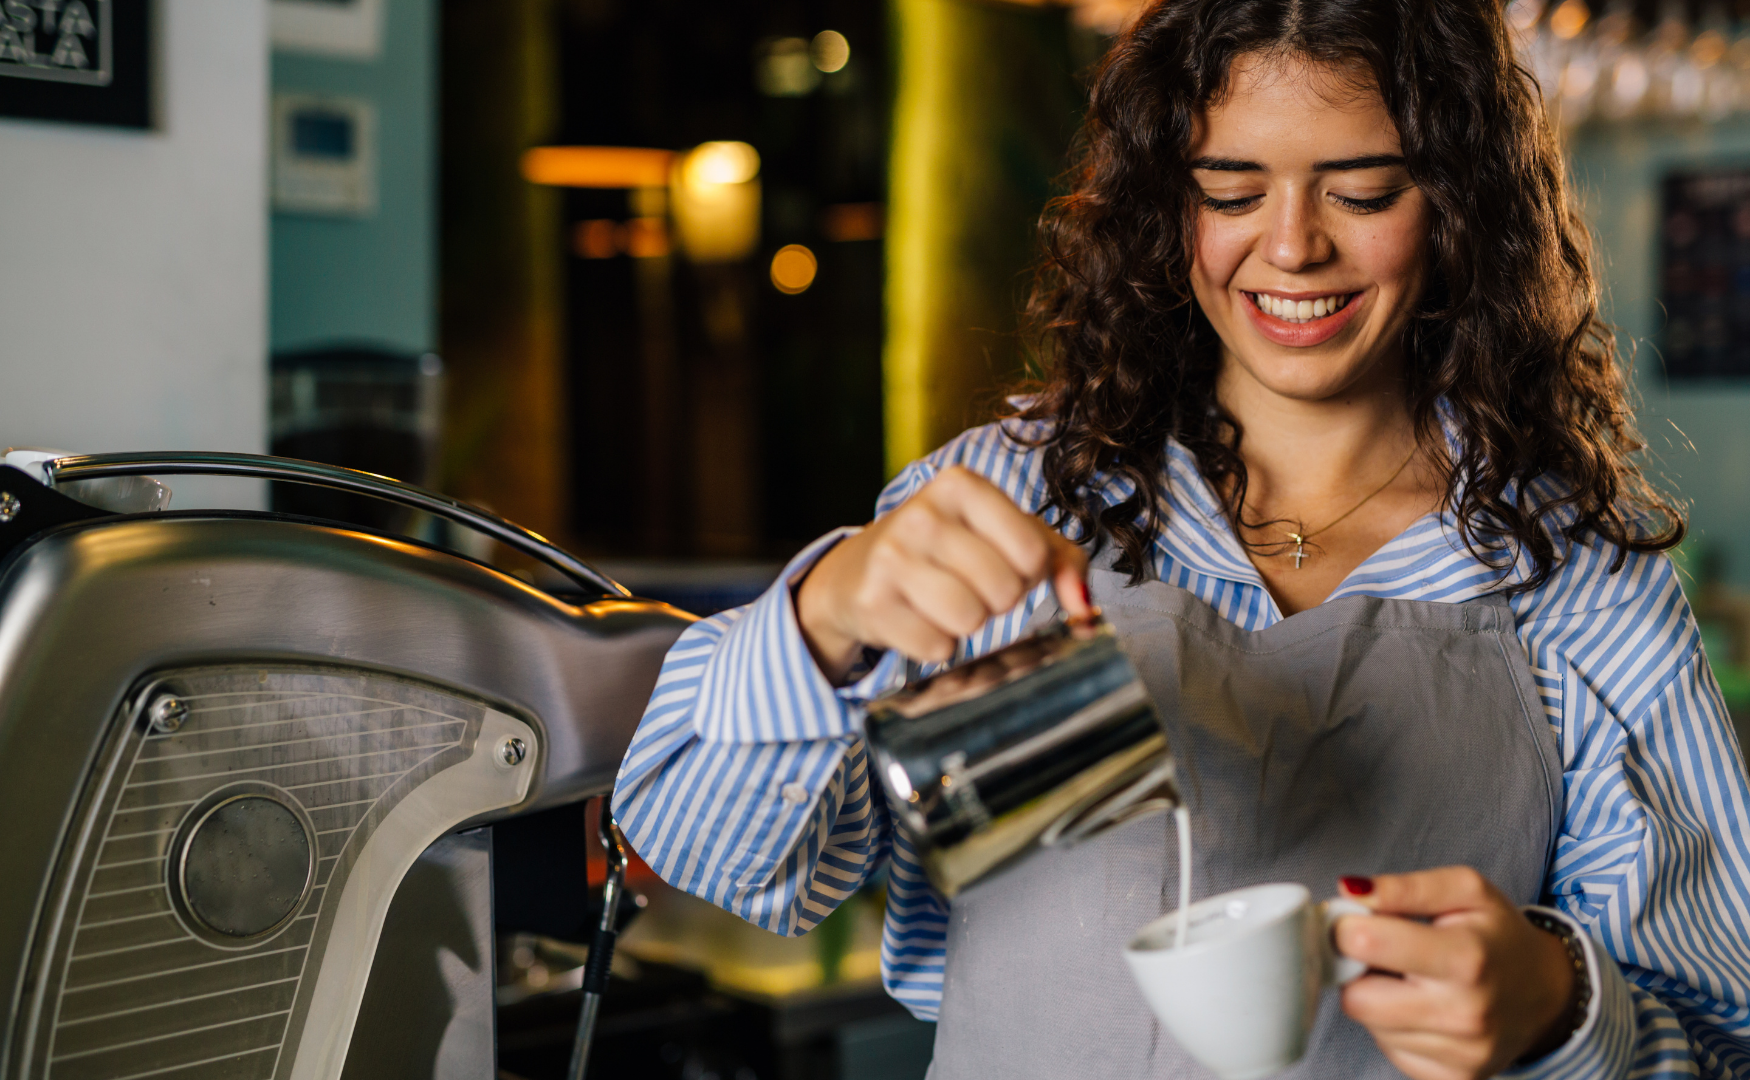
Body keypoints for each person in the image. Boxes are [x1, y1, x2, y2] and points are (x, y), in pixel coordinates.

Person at [612, 0, 1750, 1076]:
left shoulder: (1575, 578)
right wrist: (824, 617)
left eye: (1360, 191)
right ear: (1168, 205)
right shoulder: (1012, 495)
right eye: (1230, 187)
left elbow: (1721, 1031)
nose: (1291, 247)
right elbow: (719, 862)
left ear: (1457, 207)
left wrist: (1557, 1002)